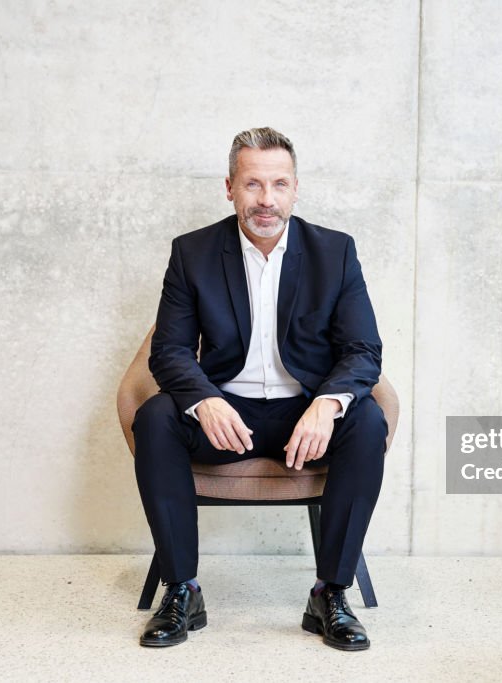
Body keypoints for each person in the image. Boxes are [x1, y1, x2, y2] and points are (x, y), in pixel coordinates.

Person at [132, 127, 387, 651]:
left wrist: (326, 404)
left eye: (279, 184)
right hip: (227, 414)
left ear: (295, 189)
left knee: (367, 420)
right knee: (156, 417)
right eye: (252, 184)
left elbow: (363, 350)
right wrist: (204, 401)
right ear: (230, 188)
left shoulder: (335, 253)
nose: (266, 200)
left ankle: (331, 594)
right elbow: (170, 351)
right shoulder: (193, 253)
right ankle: (182, 589)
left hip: (305, 413)